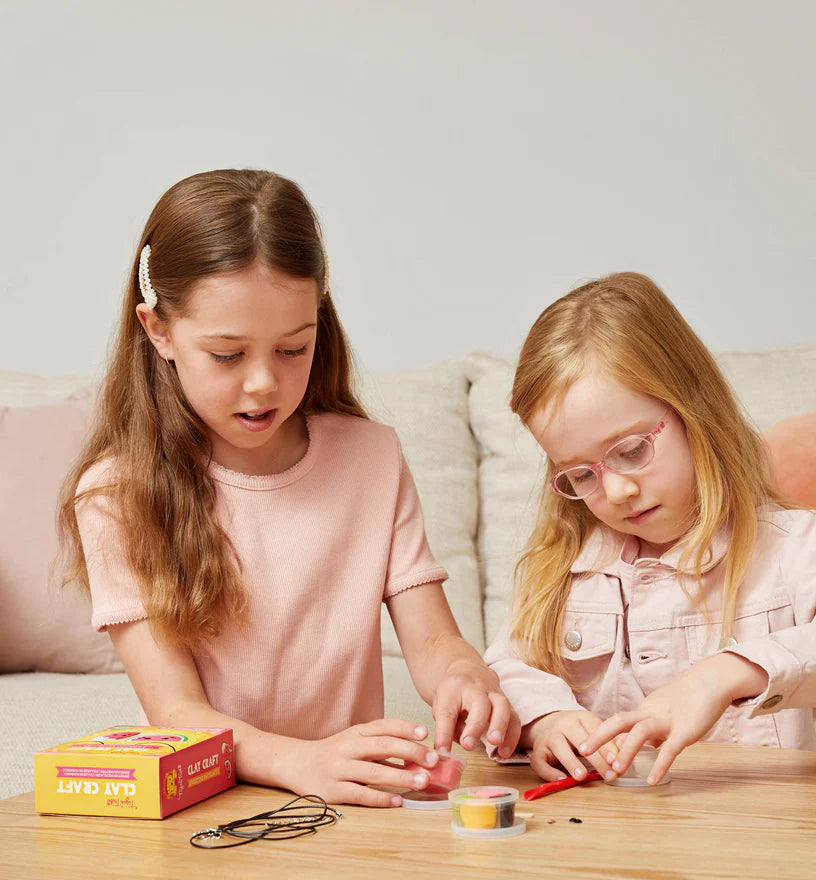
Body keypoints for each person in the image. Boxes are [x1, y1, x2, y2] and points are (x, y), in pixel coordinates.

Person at [58, 168, 519, 807]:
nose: (262, 385)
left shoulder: (372, 458)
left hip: (352, 800)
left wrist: (466, 676)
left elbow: (434, 641)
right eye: (226, 355)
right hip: (217, 806)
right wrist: (304, 763)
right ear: (158, 329)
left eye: (292, 349)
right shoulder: (114, 495)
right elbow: (176, 712)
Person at [484, 272, 816, 787]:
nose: (616, 493)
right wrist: (546, 719)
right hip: (605, 841)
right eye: (581, 475)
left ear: (691, 410)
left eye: (632, 450)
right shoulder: (565, 565)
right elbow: (504, 669)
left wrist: (728, 672)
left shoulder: (784, 546)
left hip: (754, 840)